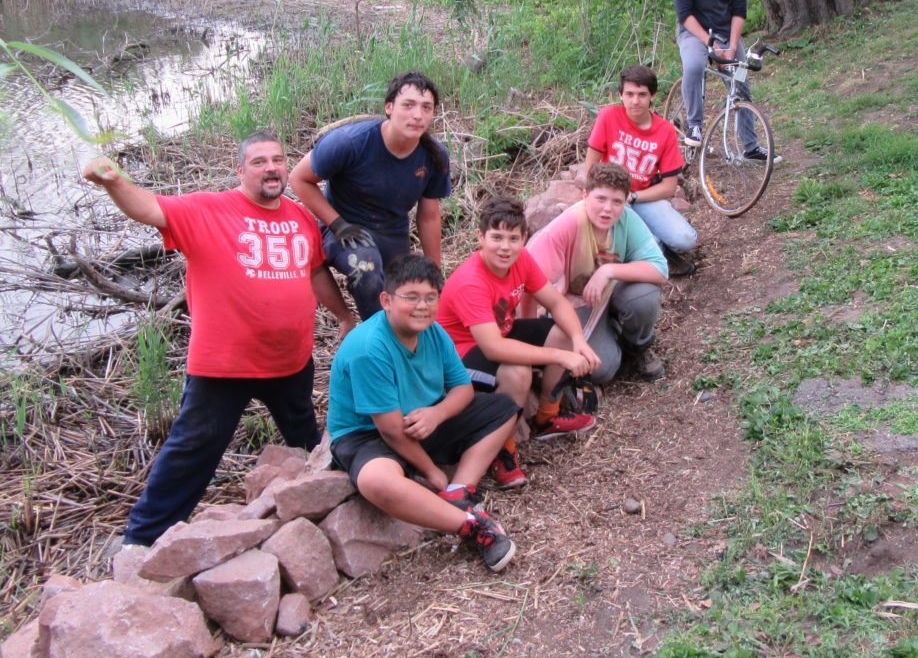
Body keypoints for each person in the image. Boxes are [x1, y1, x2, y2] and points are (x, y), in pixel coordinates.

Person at [82, 132, 355, 547]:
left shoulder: (300, 217)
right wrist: (113, 181)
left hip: (291, 362)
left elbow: (316, 271)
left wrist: (343, 314)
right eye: (260, 161)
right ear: (240, 170)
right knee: (192, 451)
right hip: (224, 366)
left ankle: (320, 506)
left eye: (278, 160)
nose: (271, 168)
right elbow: (150, 208)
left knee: (305, 441)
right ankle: (141, 540)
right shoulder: (208, 209)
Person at [327, 255, 519, 572]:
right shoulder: (369, 347)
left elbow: (463, 389)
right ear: (386, 301)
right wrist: (431, 471)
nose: (423, 306)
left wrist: (437, 415)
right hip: (368, 434)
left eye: (431, 298)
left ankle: (459, 491)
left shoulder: (434, 332)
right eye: (411, 297)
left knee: (503, 409)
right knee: (376, 481)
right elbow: (389, 430)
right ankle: (470, 525)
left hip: (421, 420)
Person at [437, 196, 601, 489]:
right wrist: (559, 357)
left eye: (513, 238)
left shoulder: (521, 259)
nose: (505, 247)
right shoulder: (470, 281)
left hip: (500, 334)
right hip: (459, 358)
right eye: (496, 237)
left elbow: (555, 302)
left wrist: (578, 341)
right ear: (480, 237)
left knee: (562, 332)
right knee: (519, 371)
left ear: (524, 238)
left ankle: (546, 417)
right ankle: (504, 450)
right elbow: (492, 348)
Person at [290, 71, 452, 320]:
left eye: (426, 108)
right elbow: (299, 179)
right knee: (366, 269)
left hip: (391, 232)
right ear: (389, 107)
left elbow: (429, 216)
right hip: (340, 227)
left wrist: (434, 272)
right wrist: (338, 224)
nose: (417, 115)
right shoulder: (350, 142)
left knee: (404, 298)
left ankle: (399, 342)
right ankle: (371, 337)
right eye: (408, 105)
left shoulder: (434, 155)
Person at [525, 162, 668, 383]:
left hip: (613, 289)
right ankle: (612, 331)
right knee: (602, 369)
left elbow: (660, 269)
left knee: (644, 296)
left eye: (617, 202)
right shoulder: (567, 225)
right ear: (585, 195)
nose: (608, 209)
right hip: (577, 301)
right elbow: (528, 280)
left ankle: (638, 347)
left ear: (625, 201)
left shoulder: (627, 219)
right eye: (600, 199)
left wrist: (608, 271)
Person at [674, 0, 778, 163]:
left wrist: (732, 45)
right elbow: (685, 13)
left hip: (726, 35)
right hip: (694, 33)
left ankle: (751, 147)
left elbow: (739, 12)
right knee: (695, 66)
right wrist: (710, 45)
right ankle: (695, 125)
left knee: (741, 81)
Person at [584, 64, 698, 276]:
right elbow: (590, 166)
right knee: (648, 243)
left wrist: (633, 196)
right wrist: (596, 197)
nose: (635, 101)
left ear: (652, 96)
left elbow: (669, 187)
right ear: (621, 95)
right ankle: (661, 254)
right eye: (629, 94)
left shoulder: (665, 130)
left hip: (642, 196)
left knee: (686, 239)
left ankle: (662, 243)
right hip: (612, 197)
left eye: (642, 94)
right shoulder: (608, 116)